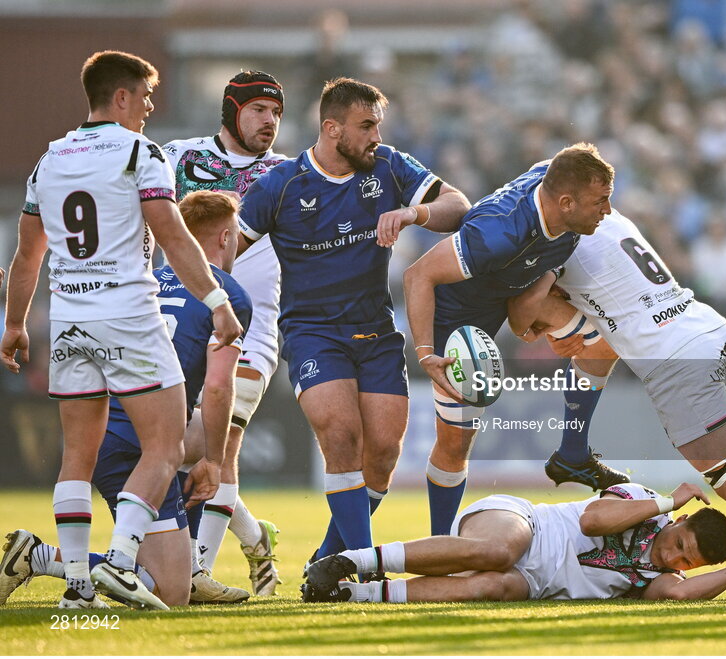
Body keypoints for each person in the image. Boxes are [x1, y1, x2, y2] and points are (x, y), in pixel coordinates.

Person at [505, 208, 726, 601]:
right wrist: (567, 329)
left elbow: (527, 309)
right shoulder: (607, 218)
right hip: (707, 328)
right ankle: (572, 452)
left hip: (677, 359)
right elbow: (600, 312)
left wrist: (541, 328)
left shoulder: (556, 233)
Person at [0, 51, 242, 610]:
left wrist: (14, 323)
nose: (151, 108)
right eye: (146, 97)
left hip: (68, 320)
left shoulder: (50, 159)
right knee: (165, 445)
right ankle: (124, 562)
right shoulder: (140, 152)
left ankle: (79, 589)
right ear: (123, 97)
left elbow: (27, 256)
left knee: (76, 459)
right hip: (129, 315)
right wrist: (216, 300)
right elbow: (173, 235)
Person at [236, 77, 471, 578]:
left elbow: (459, 206)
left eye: (377, 126)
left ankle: (329, 557)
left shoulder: (388, 166)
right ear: (331, 128)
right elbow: (222, 251)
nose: (375, 137)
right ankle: (365, 569)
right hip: (312, 332)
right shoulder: (280, 186)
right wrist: (206, 302)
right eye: (366, 127)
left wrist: (414, 212)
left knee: (383, 453)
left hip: (376, 331)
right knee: (341, 437)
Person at [403, 143, 616, 537]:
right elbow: (418, 275)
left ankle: (572, 454)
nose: (607, 211)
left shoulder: (560, 190)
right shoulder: (497, 234)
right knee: (455, 445)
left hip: (511, 289)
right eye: (600, 202)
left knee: (602, 343)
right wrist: (426, 352)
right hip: (459, 320)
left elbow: (568, 159)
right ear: (566, 203)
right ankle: (441, 543)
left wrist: (539, 312)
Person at [163, 70, 288, 598]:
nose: (270, 121)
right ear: (232, 110)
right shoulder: (178, 158)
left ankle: (193, 571)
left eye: (277, 113)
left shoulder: (287, 173)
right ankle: (256, 539)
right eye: (259, 110)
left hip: (254, 323)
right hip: (185, 318)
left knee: (221, 436)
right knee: (184, 449)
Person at [301, 481, 726, 603]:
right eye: (680, 541)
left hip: (533, 581)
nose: (674, 557)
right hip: (522, 523)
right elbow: (592, 520)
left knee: (490, 586)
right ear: (680, 519)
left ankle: (350, 592)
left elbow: (680, 592)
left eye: (687, 559)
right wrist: (664, 502)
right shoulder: (644, 500)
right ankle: (350, 560)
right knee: (501, 552)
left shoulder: (662, 577)